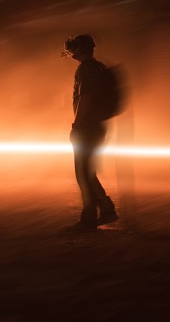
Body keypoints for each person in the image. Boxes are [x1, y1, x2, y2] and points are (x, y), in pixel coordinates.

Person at [63, 34, 119, 231]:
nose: (70, 51)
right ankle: (105, 209)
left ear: (81, 48)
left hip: (87, 127)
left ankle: (91, 218)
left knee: (83, 173)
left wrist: (76, 125)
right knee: (87, 172)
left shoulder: (85, 70)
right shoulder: (98, 67)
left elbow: (85, 98)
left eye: (73, 48)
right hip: (97, 126)